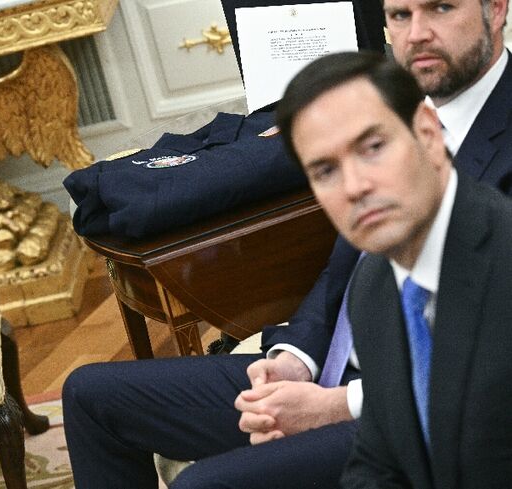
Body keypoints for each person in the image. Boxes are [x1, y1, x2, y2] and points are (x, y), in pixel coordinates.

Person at [62, 0, 512, 486]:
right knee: (91, 396)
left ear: (496, 9)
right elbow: (346, 273)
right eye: (400, 15)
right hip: (341, 371)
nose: (417, 33)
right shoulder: (385, 111)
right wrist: (295, 359)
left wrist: (336, 405)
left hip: (431, 413)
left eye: (441, 7)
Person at [276, 50, 512, 489]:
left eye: (373, 148)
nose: (354, 187)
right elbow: (379, 461)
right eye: (325, 171)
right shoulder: (373, 289)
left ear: (428, 133)